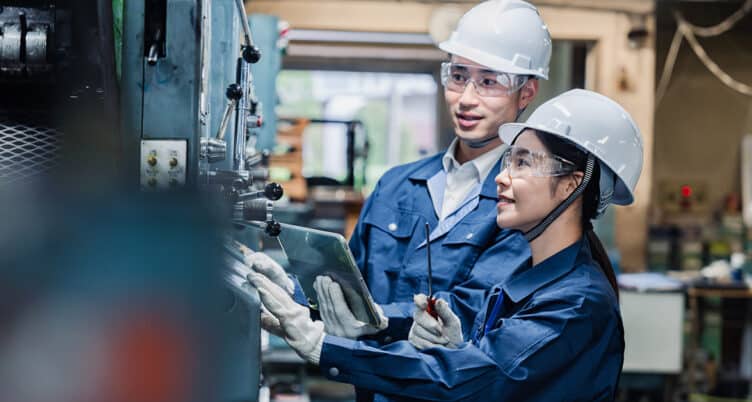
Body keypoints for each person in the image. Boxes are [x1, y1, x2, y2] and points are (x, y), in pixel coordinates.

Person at [250, 89, 644, 401]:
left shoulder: (577, 302)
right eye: (508, 162)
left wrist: (325, 348)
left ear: (572, 184)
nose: (501, 179)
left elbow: (480, 377)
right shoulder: (525, 279)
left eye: (523, 163)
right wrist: (453, 346)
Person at [248, 0, 552, 345]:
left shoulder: (526, 201)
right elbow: (349, 290)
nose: (466, 98)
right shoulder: (396, 185)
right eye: (458, 76)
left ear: (526, 92)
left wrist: (378, 320)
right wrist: (294, 292)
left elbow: (474, 312)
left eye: (489, 81)